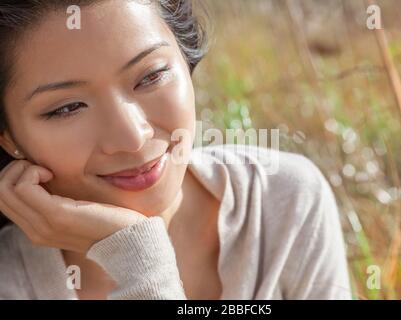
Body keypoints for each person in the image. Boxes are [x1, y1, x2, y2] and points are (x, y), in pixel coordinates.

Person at [0, 0, 352, 300]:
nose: (133, 137)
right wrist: (136, 255)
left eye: (150, 76)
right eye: (67, 108)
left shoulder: (282, 201)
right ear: (8, 137)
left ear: (187, 61)